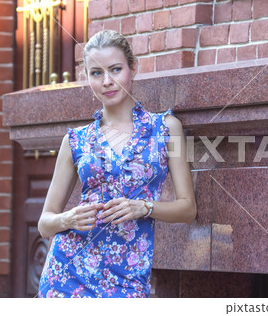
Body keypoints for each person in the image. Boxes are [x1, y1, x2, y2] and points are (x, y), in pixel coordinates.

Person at [37, 30, 197, 298]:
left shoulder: (166, 129)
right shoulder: (75, 140)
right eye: (96, 73)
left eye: (115, 69)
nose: (107, 81)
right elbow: (45, 223)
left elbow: (188, 209)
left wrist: (143, 207)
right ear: (87, 78)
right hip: (67, 275)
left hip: (129, 277)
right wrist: (69, 218)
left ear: (133, 68)